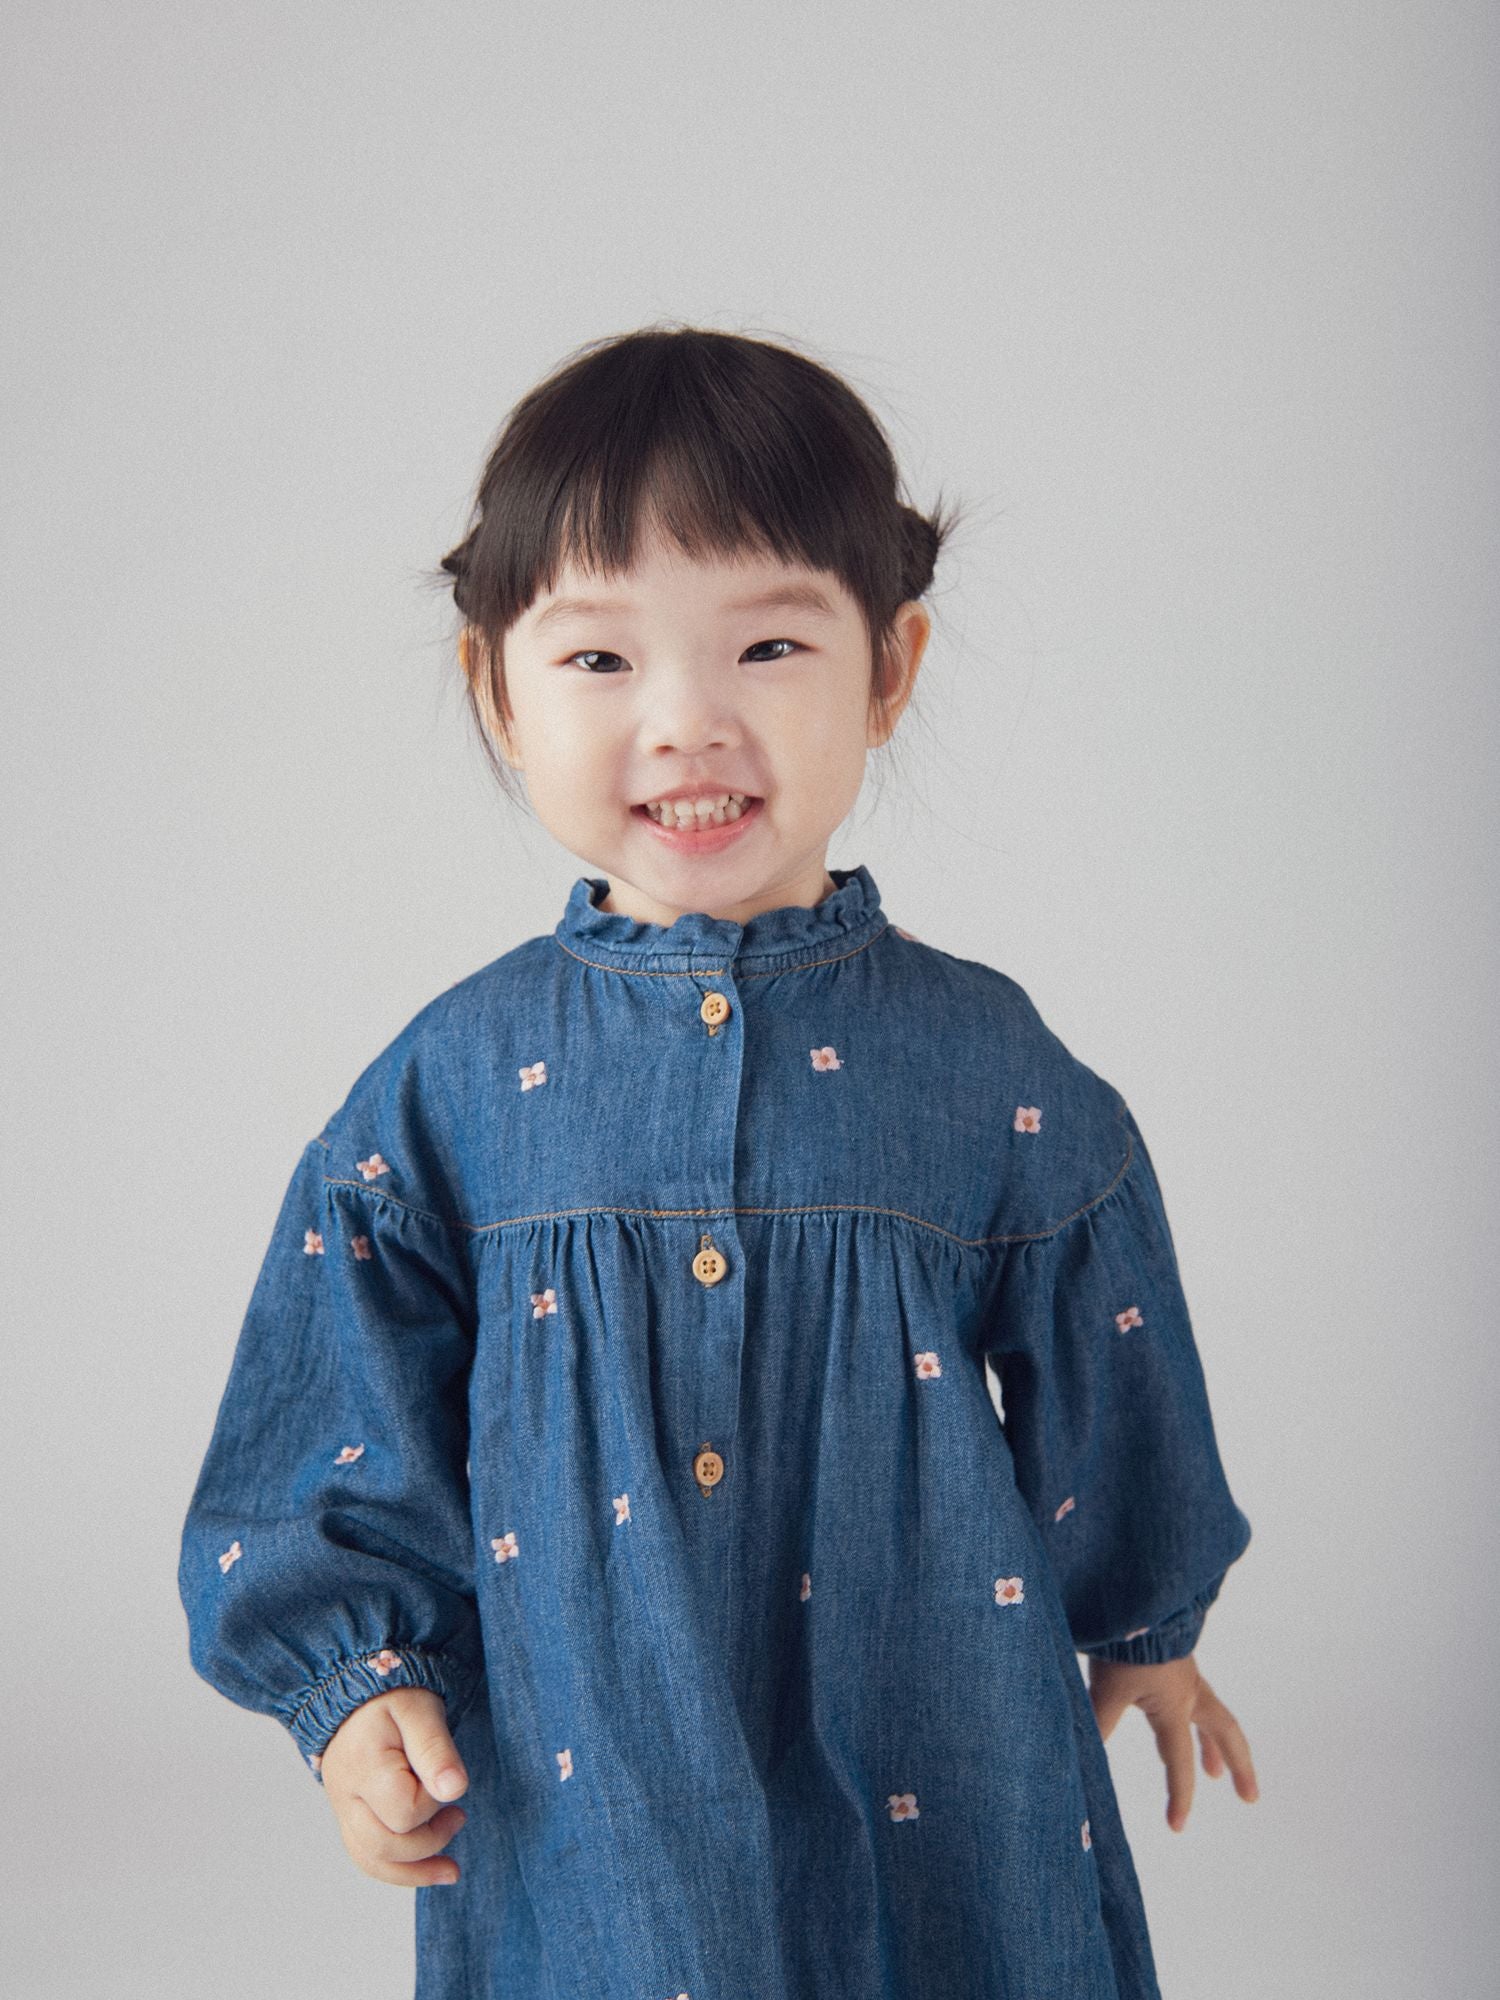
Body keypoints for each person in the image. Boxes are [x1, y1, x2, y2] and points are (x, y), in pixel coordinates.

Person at [178, 323, 1258, 1999]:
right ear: (495, 690)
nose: (687, 723)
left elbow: (1105, 1336)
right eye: (601, 663)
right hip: (589, 1747)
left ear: (890, 670)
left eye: (767, 646)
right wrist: (353, 1687)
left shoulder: (984, 1064)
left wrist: (1148, 1622)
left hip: (935, 1721)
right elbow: (336, 1392)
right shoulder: (454, 1083)